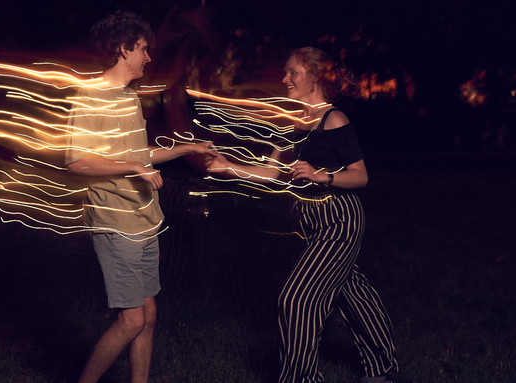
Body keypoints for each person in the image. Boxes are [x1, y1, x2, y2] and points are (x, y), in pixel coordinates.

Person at [205, 47, 399, 383]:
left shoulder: (334, 119)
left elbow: (361, 175)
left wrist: (322, 175)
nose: (284, 78)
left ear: (314, 76)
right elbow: (270, 173)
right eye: (285, 72)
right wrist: (228, 167)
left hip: (339, 219)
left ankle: (301, 378)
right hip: (311, 222)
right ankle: (382, 367)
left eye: (292, 72)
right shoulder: (292, 122)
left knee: (296, 299)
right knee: (352, 292)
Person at [65, 11, 216, 383]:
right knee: (131, 319)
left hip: (144, 219)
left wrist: (186, 148)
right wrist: (134, 169)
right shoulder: (91, 96)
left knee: (148, 315)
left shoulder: (128, 96)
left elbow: (139, 154)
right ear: (124, 48)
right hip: (116, 222)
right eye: (144, 49)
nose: (149, 57)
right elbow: (77, 160)